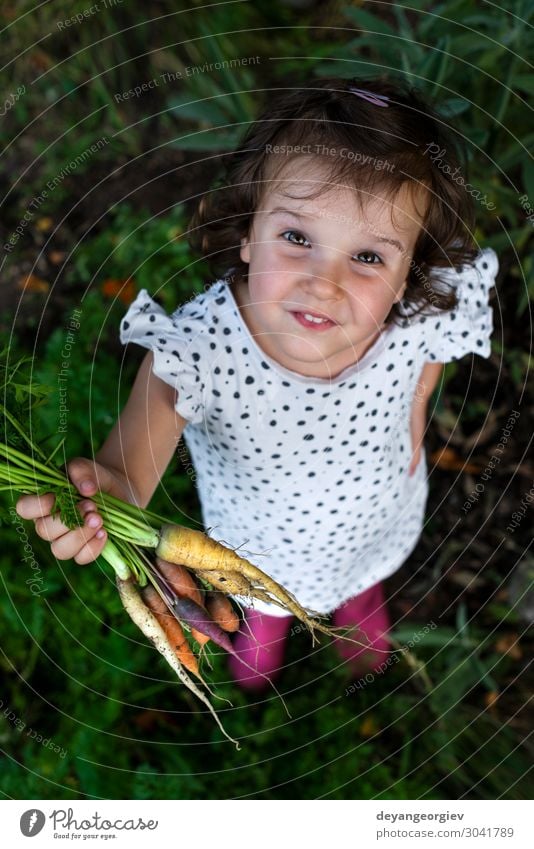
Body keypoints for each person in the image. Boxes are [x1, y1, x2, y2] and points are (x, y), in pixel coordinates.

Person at [16, 77, 498, 693]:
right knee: (262, 597)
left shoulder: (414, 314)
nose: (325, 283)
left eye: (369, 258)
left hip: (378, 515)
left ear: (408, 275)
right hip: (257, 548)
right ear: (248, 232)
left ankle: (355, 599)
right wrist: (110, 489)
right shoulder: (201, 348)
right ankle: (264, 618)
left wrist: (418, 404)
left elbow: (431, 349)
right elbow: (136, 452)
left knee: (362, 576)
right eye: (297, 238)